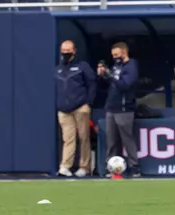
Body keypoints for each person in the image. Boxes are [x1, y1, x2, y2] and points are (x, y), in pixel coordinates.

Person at [98, 41, 140, 178]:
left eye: (117, 54)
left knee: (127, 139)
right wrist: (103, 75)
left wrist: (109, 76)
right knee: (111, 141)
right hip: (111, 107)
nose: (115, 57)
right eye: (113, 55)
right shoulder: (116, 66)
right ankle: (111, 167)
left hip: (124, 108)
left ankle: (134, 166)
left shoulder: (131, 66)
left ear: (124, 52)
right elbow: (109, 85)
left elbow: (125, 85)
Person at [55, 39, 95, 178]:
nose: (65, 54)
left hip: (80, 107)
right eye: (63, 51)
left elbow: (91, 84)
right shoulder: (58, 69)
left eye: (68, 51)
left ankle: (84, 167)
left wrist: (88, 103)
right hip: (64, 110)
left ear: (74, 51)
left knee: (84, 138)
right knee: (68, 139)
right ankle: (65, 166)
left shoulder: (82, 66)